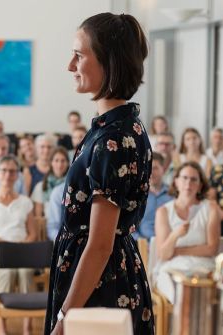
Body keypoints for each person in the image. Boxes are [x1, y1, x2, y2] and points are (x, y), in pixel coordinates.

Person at [45, 13, 153, 335]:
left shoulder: (113, 139)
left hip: (100, 285)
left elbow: (100, 245)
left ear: (108, 61)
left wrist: (66, 317)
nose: (70, 65)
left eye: (79, 55)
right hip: (95, 276)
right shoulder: (112, 127)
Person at [0, 155, 37, 335]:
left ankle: (28, 326)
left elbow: (32, 233)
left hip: (21, 250)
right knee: (6, 272)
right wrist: (5, 246)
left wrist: (21, 248)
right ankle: (1, 326)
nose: (8, 175)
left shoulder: (25, 202)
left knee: (26, 272)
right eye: (4, 170)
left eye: (12, 171)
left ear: (17, 175)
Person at [153, 162, 220, 303]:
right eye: (184, 178)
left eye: (194, 179)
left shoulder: (211, 208)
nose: (188, 183)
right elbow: (164, 254)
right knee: (176, 290)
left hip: (204, 267)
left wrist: (177, 251)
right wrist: (175, 235)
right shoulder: (164, 211)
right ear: (176, 181)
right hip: (173, 268)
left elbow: (212, 249)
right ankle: (181, 319)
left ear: (200, 185)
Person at [132, 152, 172, 240]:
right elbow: (131, 225)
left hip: (169, 243)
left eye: (155, 168)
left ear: (164, 169)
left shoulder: (173, 194)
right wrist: (140, 243)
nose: (151, 172)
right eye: (148, 168)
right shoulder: (137, 195)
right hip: (142, 246)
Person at [31, 147, 69, 218]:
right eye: (56, 160)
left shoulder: (72, 185)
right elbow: (38, 216)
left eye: (63, 161)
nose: (59, 164)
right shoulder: (41, 186)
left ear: (67, 163)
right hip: (48, 225)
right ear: (51, 163)